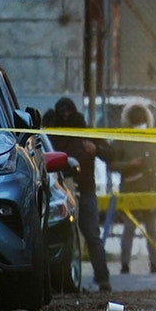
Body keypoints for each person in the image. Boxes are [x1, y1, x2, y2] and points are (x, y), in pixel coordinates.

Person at [47, 97, 112, 292]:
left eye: (68, 112)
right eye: (62, 112)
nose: (66, 116)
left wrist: (97, 149)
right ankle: (62, 282)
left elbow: (112, 154)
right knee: (62, 236)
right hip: (59, 192)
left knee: (91, 234)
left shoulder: (85, 134)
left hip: (84, 192)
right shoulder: (54, 135)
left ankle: (103, 279)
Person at [106, 104, 156, 274]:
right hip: (131, 191)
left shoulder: (153, 137)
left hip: (152, 190)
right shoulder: (122, 138)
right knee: (129, 230)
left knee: (152, 230)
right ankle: (125, 264)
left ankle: (154, 264)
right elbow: (111, 163)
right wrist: (129, 165)